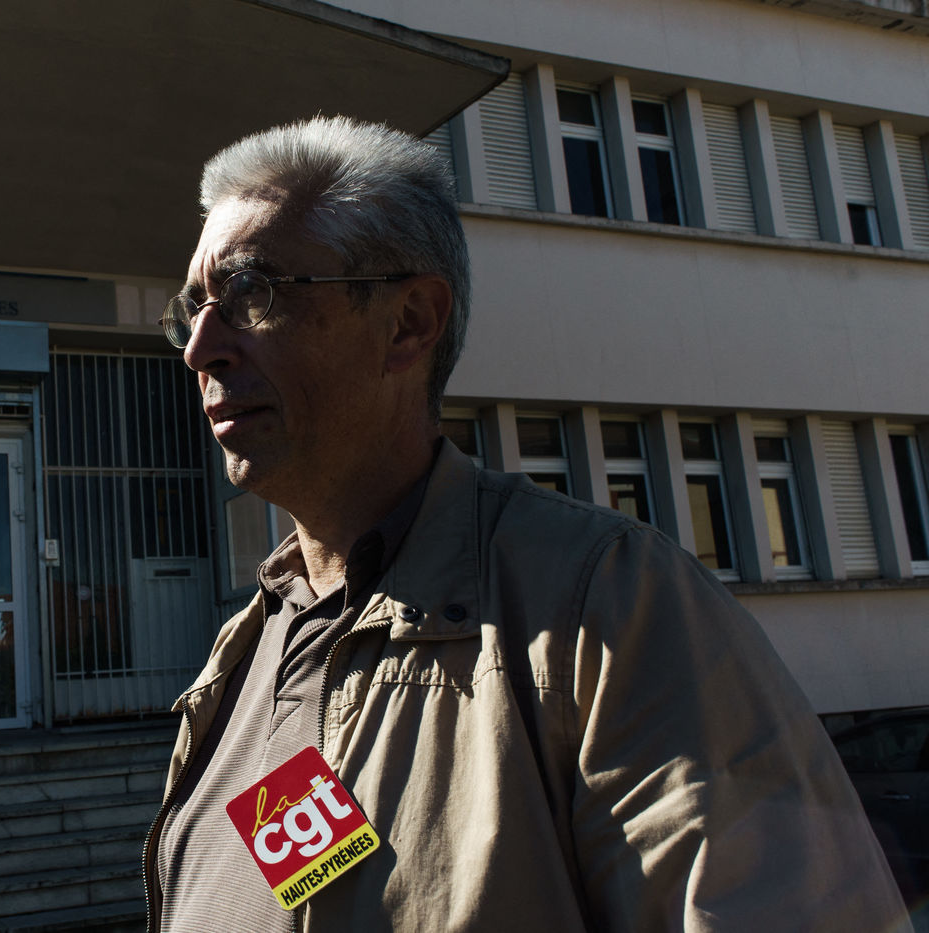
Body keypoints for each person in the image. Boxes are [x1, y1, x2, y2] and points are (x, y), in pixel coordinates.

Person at [142, 115, 910, 931]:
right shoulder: (249, 648)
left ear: (408, 323)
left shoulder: (608, 613)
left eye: (250, 294)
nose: (200, 348)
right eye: (193, 309)